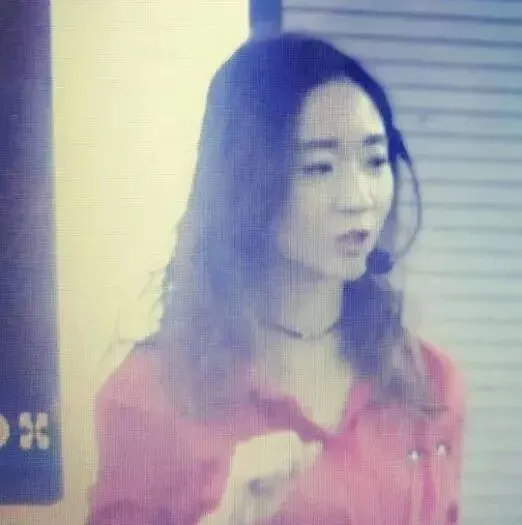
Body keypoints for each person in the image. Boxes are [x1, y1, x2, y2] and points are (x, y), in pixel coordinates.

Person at [87, 32, 466, 525]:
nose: (358, 198)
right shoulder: (149, 396)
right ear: (246, 180)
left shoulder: (428, 382)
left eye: (375, 161)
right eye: (319, 167)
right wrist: (227, 519)